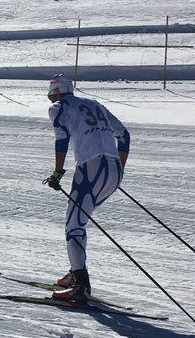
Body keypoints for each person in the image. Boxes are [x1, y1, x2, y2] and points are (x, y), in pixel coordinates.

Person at [42, 74, 130, 305]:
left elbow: (61, 140)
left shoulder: (59, 108)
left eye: (50, 93)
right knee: (79, 222)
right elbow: (124, 135)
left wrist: (57, 173)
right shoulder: (94, 104)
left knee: (73, 224)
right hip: (114, 170)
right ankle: (75, 271)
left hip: (90, 169)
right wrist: (117, 168)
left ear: (55, 92)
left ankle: (81, 286)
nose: (50, 99)